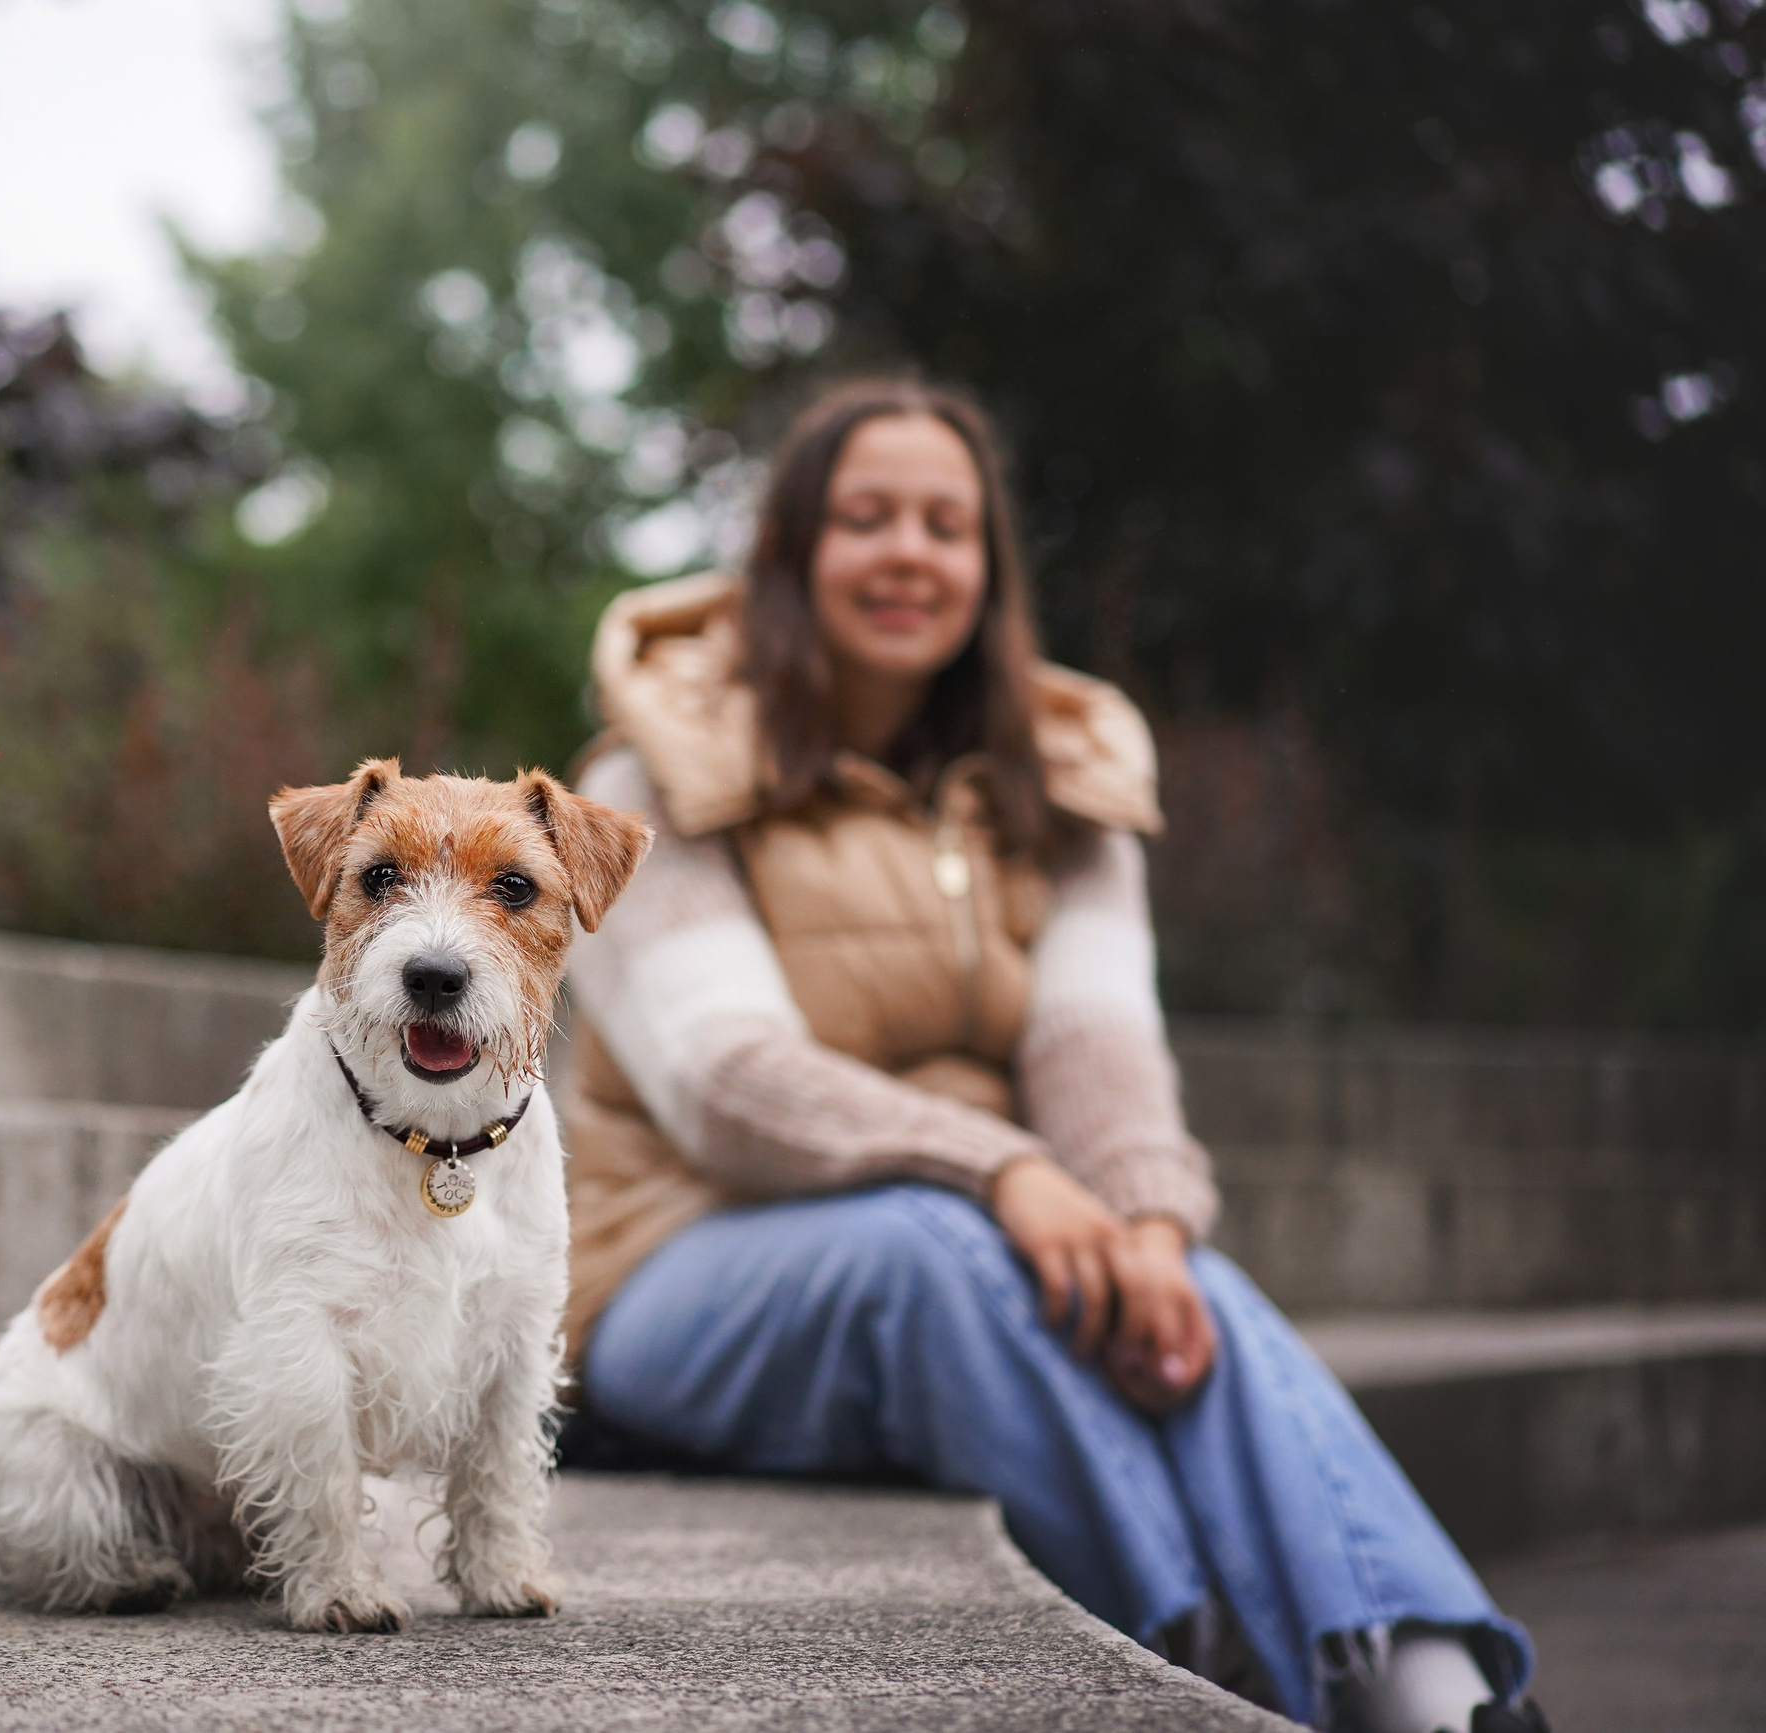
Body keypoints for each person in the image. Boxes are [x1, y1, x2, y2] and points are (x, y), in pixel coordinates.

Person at [559, 375, 1544, 1733]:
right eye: (868, 517)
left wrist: (1140, 1217)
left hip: (971, 1236)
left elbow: (1101, 1046)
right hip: (664, 1263)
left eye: (947, 525)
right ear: (789, 551)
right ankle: (1200, 1674)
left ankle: (1437, 1698)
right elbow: (728, 1084)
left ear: (988, 567)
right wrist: (1011, 1169)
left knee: (1175, 1281)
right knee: (935, 1246)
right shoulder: (646, 781)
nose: (911, 551)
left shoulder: (1065, 781)